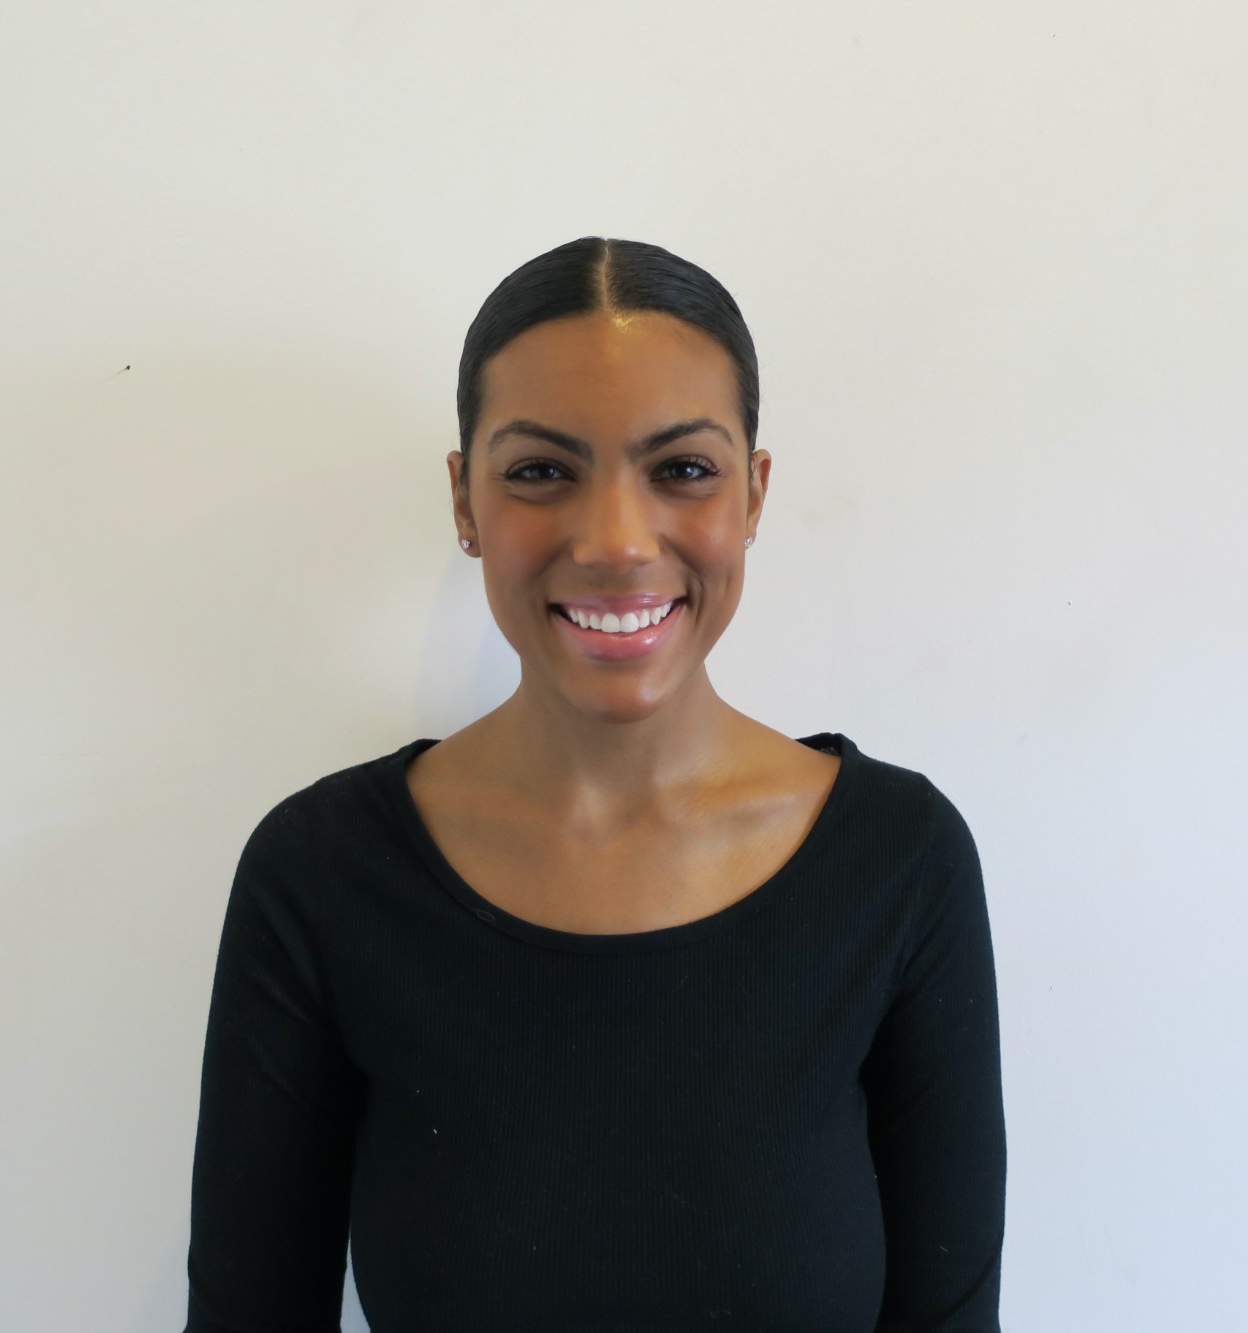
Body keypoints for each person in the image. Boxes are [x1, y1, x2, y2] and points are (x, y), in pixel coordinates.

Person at [182, 237, 1006, 1331]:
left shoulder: (899, 863)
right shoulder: (322, 875)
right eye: (539, 471)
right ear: (463, 500)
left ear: (754, 494)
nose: (617, 543)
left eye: (683, 469)